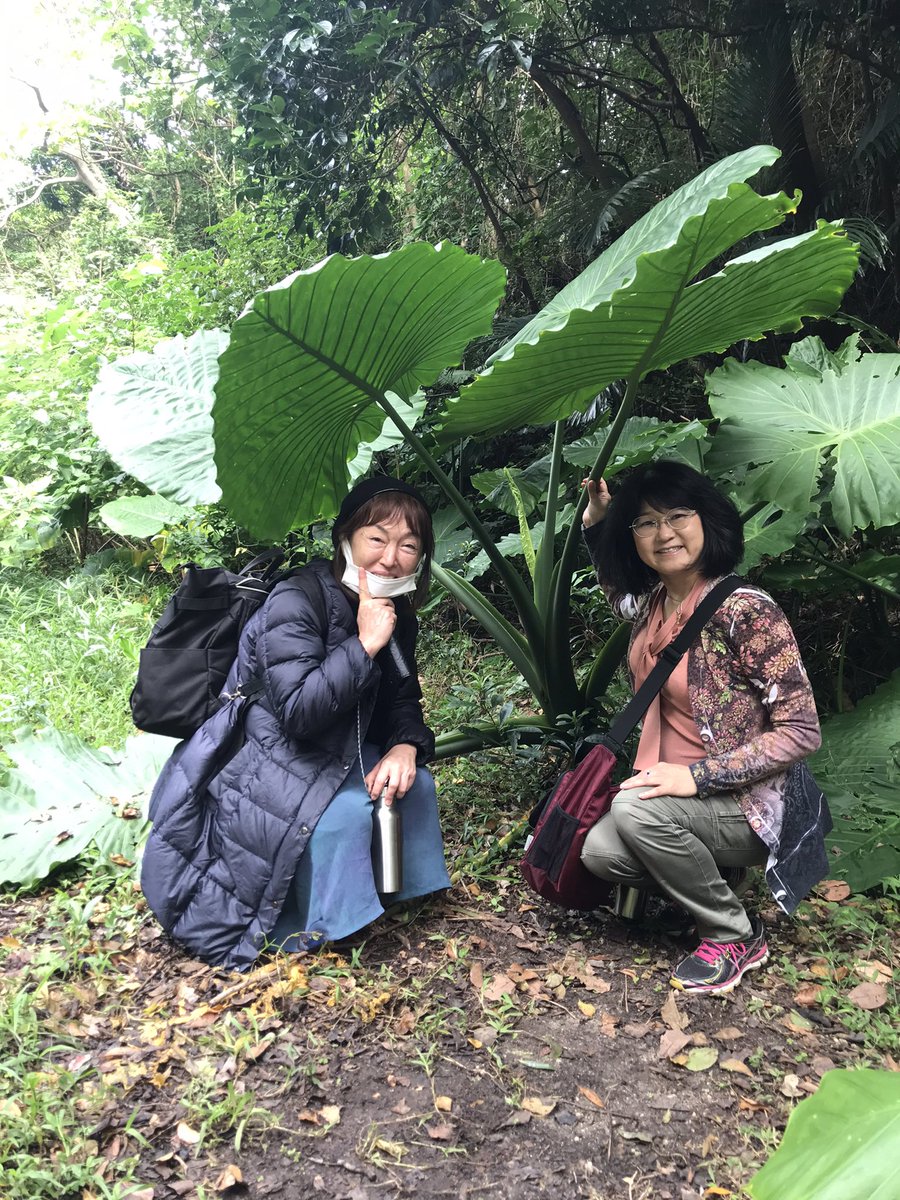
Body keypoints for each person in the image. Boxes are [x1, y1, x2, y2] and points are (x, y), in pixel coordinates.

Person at [141, 475, 451, 971]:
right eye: (376, 539)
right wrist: (365, 643)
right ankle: (331, 922)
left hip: (339, 747)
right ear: (346, 539)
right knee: (347, 816)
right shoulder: (296, 600)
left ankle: (395, 893)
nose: (390, 558)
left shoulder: (396, 614)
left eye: (408, 546)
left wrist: (406, 745)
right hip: (268, 753)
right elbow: (299, 713)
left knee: (414, 787)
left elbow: (401, 699)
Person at [579, 461, 830, 994]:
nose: (664, 533)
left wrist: (696, 778)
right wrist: (600, 520)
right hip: (675, 797)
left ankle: (734, 933)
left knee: (631, 815)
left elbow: (801, 730)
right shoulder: (653, 603)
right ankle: (716, 884)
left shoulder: (746, 611)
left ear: (707, 519)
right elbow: (612, 585)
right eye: (645, 523)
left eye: (676, 515)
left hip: (749, 803)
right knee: (600, 851)